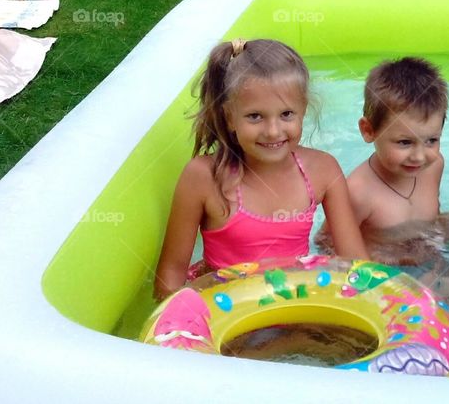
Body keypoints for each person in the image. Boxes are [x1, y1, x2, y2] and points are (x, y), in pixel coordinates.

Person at [153, 39, 368, 301]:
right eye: (255, 116)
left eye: (287, 114)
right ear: (230, 117)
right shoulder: (203, 177)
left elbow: (356, 265)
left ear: (304, 111)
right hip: (226, 309)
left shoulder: (322, 170)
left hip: (295, 300)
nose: (273, 131)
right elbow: (171, 274)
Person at [328, 57, 449, 268]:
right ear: (368, 130)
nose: (420, 157)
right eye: (405, 142)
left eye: (431, 140)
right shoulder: (358, 192)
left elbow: (433, 225)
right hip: (382, 273)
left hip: (426, 260)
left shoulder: (434, 166)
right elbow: (328, 243)